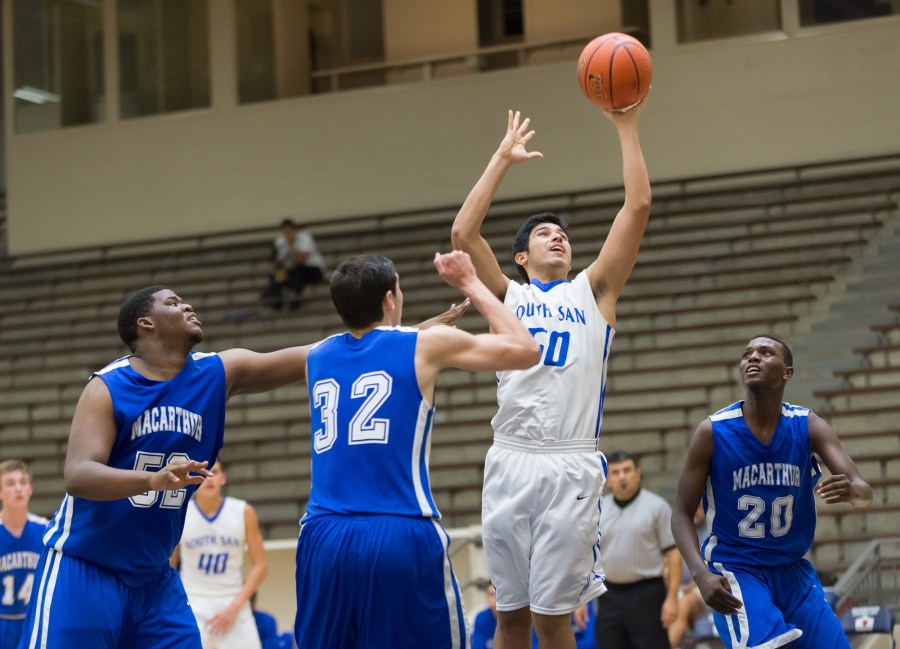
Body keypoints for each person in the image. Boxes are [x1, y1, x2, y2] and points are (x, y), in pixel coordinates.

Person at [17, 279, 464, 649]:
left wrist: (407, 340)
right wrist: (151, 480)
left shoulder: (218, 372)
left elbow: (322, 355)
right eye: (172, 302)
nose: (186, 304)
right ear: (145, 323)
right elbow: (78, 474)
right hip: (86, 565)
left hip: (153, 578)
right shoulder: (108, 387)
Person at [450, 103, 651, 649]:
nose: (558, 237)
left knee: (552, 620)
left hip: (570, 463)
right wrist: (501, 158)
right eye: (544, 233)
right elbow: (463, 232)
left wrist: (626, 125)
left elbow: (637, 206)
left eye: (563, 233)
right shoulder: (507, 296)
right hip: (510, 458)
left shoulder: (594, 291)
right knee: (510, 619)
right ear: (520, 256)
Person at [293, 251, 541, 648]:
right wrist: (470, 282)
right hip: (397, 529)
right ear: (390, 298)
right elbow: (526, 349)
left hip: (322, 536)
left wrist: (421, 329)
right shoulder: (424, 345)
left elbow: (370, 349)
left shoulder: (316, 357)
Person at [671, 334, 873, 649]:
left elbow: (864, 491)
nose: (753, 357)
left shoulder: (807, 425)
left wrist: (852, 491)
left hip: (794, 570)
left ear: (787, 372)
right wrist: (699, 574)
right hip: (739, 570)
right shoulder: (713, 431)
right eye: (747, 354)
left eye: (766, 353)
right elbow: (681, 513)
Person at [171, 460, 267, 649]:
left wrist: (236, 605)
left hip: (233, 601)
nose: (210, 478)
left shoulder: (243, 511)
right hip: (193, 601)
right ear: (193, 479)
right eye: (203, 473)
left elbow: (261, 565)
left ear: (223, 478)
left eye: (214, 472)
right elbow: (169, 567)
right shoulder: (181, 513)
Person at [593, 451, 681, 649]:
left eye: (627, 470)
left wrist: (672, 597)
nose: (622, 477)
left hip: (647, 594)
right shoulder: (598, 509)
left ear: (638, 474)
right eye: (616, 472)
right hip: (608, 594)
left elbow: (673, 553)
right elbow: (586, 555)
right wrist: (581, 598)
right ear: (607, 480)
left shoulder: (658, 506)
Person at [0, 460, 47, 649]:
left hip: (34, 622)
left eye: (23, 482)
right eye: (11, 483)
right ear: (0, 492)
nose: (18, 488)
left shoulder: (45, 530)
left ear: (30, 489)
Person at [471, 582, 596, 649]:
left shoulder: (583, 605)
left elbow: (593, 641)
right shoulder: (481, 618)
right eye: (491, 595)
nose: (495, 599)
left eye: (496, 594)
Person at [261, 218, 326, 311]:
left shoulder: (304, 237)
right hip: (293, 271)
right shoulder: (280, 240)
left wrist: (290, 245)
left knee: (297, 271)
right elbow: (280, 263)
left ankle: (296, 298)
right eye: (284, 232)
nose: (287, 234)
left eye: (289, 231)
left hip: (313, 270)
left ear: (294, 229)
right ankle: (275, 299)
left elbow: (300, 261)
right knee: (276, 274)